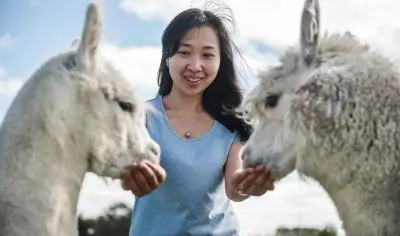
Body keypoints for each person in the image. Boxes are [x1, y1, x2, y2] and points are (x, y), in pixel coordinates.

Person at [121, 4, 275, 236]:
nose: (195, 66)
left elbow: (234, 188)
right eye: (184, 52)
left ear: (220, 61)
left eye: (207, 55)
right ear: (167, 57)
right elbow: (120, 165)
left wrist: (249, 184)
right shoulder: (139, 117)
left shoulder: (233, 122)